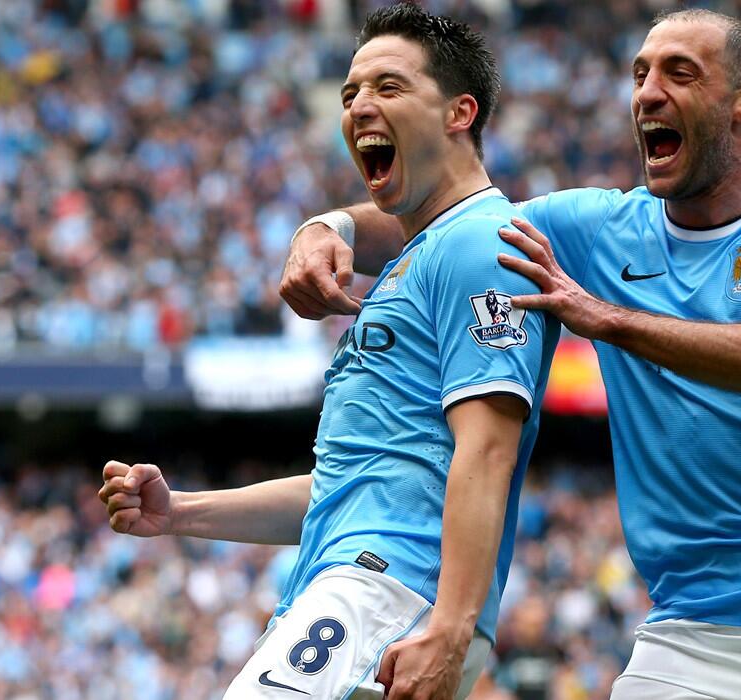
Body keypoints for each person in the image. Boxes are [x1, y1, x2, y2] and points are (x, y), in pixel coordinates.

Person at [281, 8, 741, 698]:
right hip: (690, 636)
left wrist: (605, 318)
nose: (647, 93)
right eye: (640, 74)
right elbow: (459, 226)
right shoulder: (604, 228)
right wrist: (326, 226)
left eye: (679, 74)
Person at [100, 4, 559, 698]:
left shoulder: (479, 245)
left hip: (388, 592)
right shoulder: (421, 257)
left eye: (388, 87)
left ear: (459, 113)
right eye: (350, 94)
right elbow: (345, 488)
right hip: (359, 583)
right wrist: (182, 515)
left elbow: (487, 449)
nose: (360, 107)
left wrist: (453, 626)